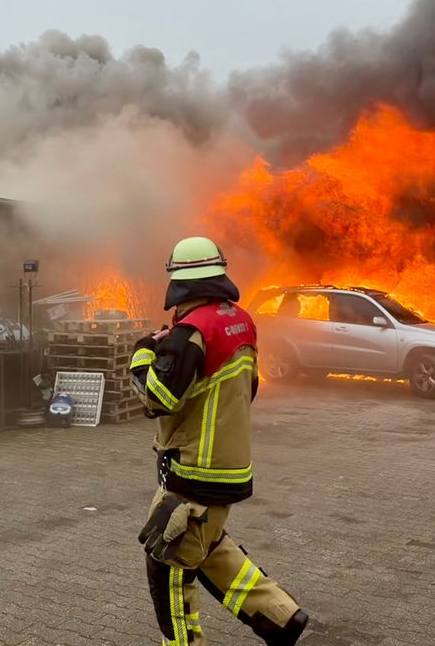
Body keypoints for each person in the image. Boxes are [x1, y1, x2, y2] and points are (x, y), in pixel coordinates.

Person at [130, 236, 310, 646]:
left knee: (168, 565)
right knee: (206, 546)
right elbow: (248, 388)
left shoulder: (190, 334)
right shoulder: (241, 321)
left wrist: (143, 352)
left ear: (179, 283)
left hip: (193, 471)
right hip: (228, 466)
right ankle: (280, 618)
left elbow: (156, 398)